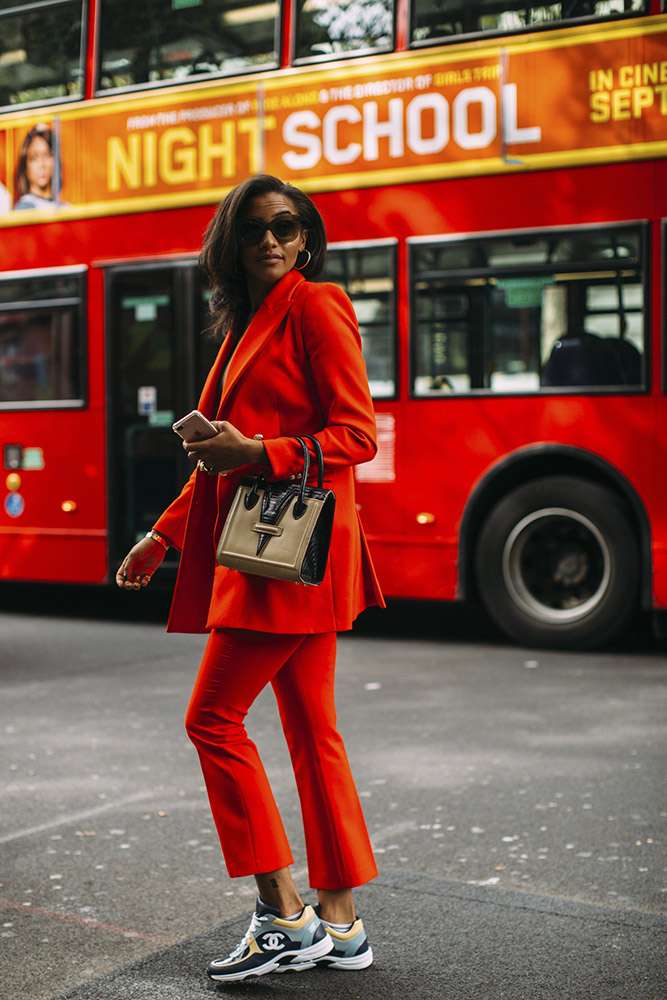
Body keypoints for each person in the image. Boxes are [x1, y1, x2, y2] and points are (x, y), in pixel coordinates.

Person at [116, 174, 385, 982]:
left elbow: (355, 436)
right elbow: (215, 466)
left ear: (306, 237)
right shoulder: (242, 327)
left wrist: (258, 453)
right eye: (253, 228)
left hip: (287, 559)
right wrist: (160, 536)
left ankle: (283, 912)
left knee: (212, 721)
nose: (270, 238)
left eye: (286, 225)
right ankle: (338, 923)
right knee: (312, 736)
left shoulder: (316, 305)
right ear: (230, 242)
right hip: (282, 558)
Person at [13, 123, 63, 211]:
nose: (42, 164)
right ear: (25, 165)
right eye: (34, 158)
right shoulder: (24, 209)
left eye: (48, 155)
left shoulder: (64, 207)